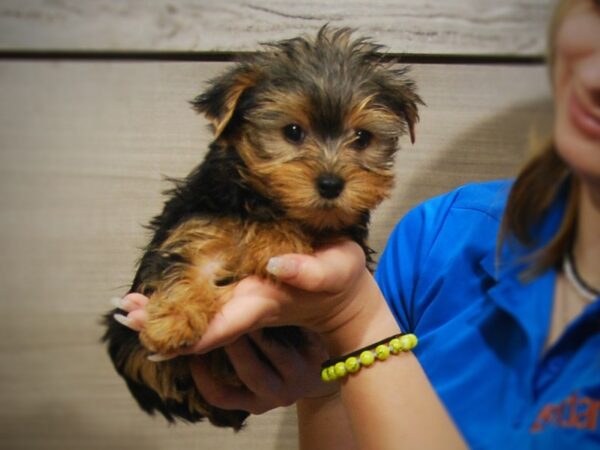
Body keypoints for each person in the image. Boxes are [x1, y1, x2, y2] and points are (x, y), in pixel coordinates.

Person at [115, 0, 600, 448]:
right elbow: (335, 390)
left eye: (361, 139)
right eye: (292, 133)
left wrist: (353, 317)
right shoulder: (437, 238)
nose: (330, 171)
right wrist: (323, 385)